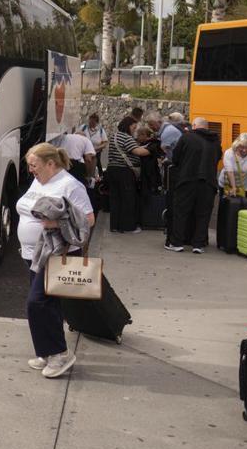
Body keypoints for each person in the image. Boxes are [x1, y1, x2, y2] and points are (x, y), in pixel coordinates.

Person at [16, 143, 95, 379]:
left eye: (34, 165)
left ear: (51, 164)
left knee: (37, 302)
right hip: (33, 254)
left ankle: (59, 353)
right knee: (47, 305)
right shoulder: (39, 180)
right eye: (29, 165)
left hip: (56, 253)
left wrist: (57, 223)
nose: (31, 170)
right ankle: (46, 352)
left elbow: (88, 219)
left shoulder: (71, 185)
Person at [166, 117, 223, 254]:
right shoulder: (215, 142)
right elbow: (217, 158)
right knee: (203, 214)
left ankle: (177, 243)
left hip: (187, 180)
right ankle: (198, 244)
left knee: (181, 212)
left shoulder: (187, 138)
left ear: (195, 126)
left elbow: (176, 158)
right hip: (208, 182)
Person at [106, 117, 149, 233]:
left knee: (115, 199)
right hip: (124, 172)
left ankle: (115, 226)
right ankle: (128, 226)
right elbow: (138, 152)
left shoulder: (115, 135)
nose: (134, 130)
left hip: (112, 170)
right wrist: (152, 149)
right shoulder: (126, 137)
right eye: (133, 127)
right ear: (128, 126)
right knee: (128, 199)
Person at [218, 133, 247, 199]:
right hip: (228, 184)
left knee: (246, 207)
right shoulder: (229, 153)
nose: (244, 150)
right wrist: (234, 187)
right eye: (242, 147)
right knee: (226, 207)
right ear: (237, 144)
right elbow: (229, 172)